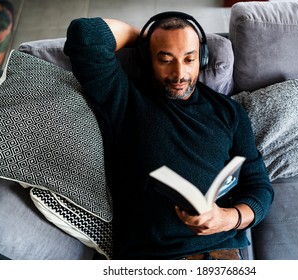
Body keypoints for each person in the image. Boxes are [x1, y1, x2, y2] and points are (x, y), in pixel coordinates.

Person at [64, 11, 274, 260]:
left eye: (189, 59)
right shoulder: (124, 97)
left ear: (202, 59)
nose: (179, 74)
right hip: (150, 257)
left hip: (219, 251)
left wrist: (228, 218)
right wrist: (142, 38)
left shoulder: (229, 112)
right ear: (147, 59)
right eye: (165, 59)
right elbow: (85, 36)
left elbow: (259, 186)